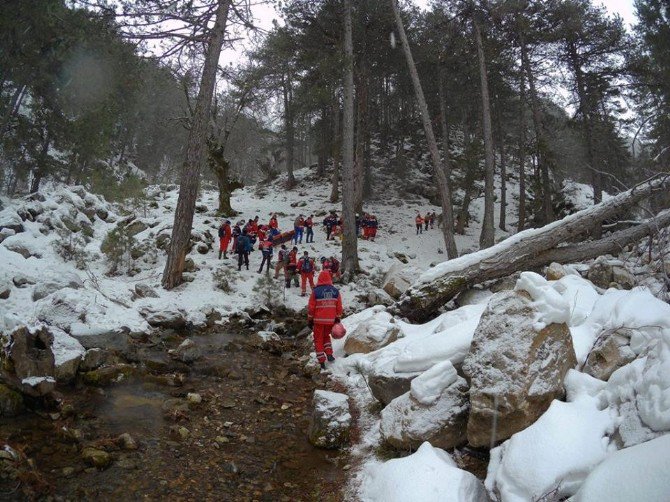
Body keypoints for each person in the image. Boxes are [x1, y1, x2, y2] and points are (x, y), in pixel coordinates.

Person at [307, 270, 343, 370]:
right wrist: (337, 317)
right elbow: (339, 307)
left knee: (318, 339)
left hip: (318, 320)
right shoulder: (335, 291)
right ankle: (329, 354)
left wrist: (310, 320)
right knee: (326, 337)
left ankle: (322, 361)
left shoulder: (316, 291)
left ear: (319, 279)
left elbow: (311, 308)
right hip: (330, 320)